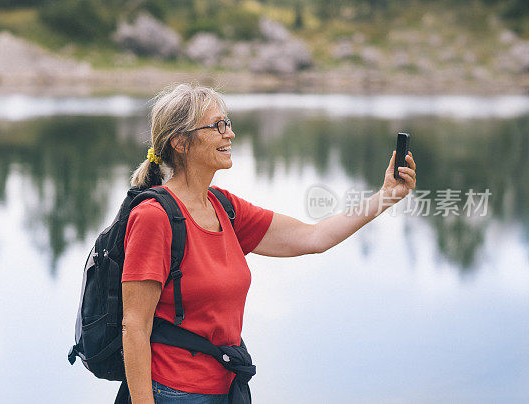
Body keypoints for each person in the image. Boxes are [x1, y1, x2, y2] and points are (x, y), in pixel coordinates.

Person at [120, 83, 417, 404]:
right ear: (180, 142)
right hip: (174, 393)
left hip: (227, 386)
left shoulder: (224, 208)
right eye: (217, 126)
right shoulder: (154, 217)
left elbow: (312, 237)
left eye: (228, 123)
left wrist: (385, 197)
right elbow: (134, 326)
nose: (229, 134)